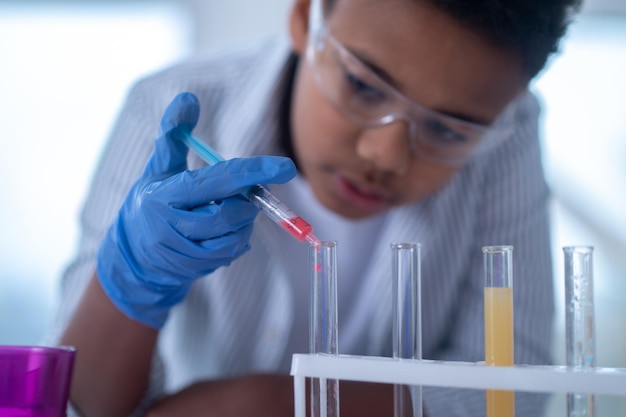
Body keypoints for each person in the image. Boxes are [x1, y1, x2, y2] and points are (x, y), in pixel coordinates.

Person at [49, 0, 581, 416]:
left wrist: (277, 406)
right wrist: (129, 285)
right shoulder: (175, 109)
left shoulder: (505, 137)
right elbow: (81, 404)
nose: (385, 156)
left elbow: (511, 393)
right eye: (363, 86)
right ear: (306, 16)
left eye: (447, 129)